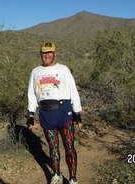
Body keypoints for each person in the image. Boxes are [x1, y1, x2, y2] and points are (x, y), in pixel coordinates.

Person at [26, 42, 82, 184]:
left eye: (50, 52)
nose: (47, 55)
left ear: (55, 54)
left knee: (69, 145)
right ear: (40, 54)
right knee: (53, 147)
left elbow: (73, 90)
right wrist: (31, 114)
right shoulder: (35, 72)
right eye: (44, 53)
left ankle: (73, 178)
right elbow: (32, 94)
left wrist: (77, 112)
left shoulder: (63, 70)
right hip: (45, 113)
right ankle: (56, 174)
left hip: (64, 111)